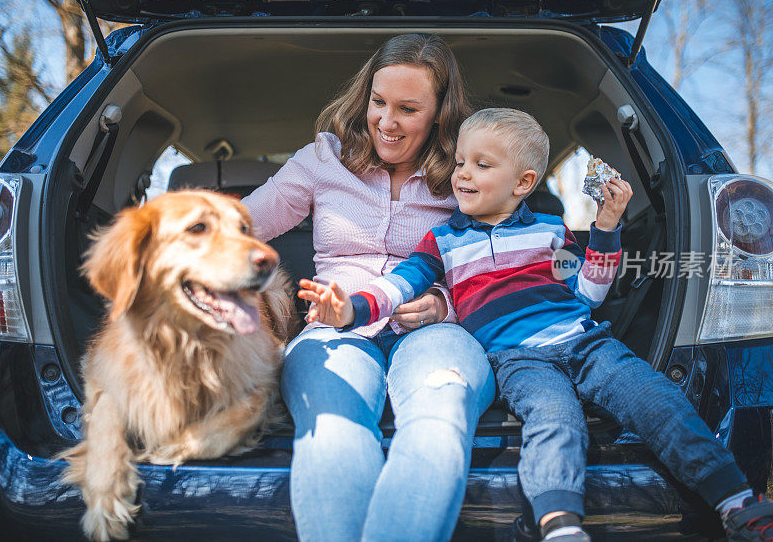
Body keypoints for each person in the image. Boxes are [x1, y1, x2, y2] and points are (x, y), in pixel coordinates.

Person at [299, 107, 773, 542]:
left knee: (656, 400)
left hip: (585, 341)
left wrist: (607, 227)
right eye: (461, 161)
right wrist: (352, 310)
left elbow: (587, 292)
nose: (462, 173)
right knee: (554, 422)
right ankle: (560, 525)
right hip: (517, 359)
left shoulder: (550, 230)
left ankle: (735, 499)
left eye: (482, 165)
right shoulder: (441, 240)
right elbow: (399, 285)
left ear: (523, 182)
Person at [242, 33, 496, 541]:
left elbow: (500, 267)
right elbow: (242, 225)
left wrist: (444, 304)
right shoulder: (323, 159)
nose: (385, 120)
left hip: (435, 331)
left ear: (441, 116)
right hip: (334, 329)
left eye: (407, 108)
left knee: (439, 418)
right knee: (332, 429)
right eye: (378, 102)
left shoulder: (468, 173)